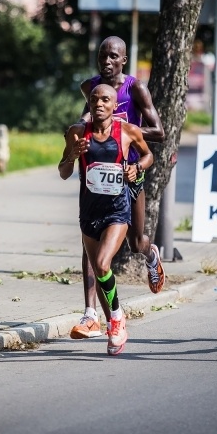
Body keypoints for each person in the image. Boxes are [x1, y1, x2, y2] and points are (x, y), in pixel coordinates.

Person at [69, 36, 166, 340]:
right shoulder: (91, 87)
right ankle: (90, 314)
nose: (107, 62)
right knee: (92, 242)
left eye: (113, 57)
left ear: (123, 60)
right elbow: (86, 117)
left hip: (130, 173)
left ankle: (151, 255)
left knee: (135, 242)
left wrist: (122, 127)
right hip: (100, 172)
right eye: (102, 56)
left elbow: (159, 132)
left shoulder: (135, 88)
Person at [59, 84, 154, 355]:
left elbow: (148, 155)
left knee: (101, 263)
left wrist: (136, 167)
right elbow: (63, 171)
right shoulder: (77, 133)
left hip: (117, 210)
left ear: (115, 106)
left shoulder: (126, 131)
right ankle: (114, 318)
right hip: (89, 213)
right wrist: (73, 155)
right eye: (93, 99)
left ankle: (115, 320)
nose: (98, 103)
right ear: (88, 104)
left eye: (105, 100)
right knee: (101, 274)